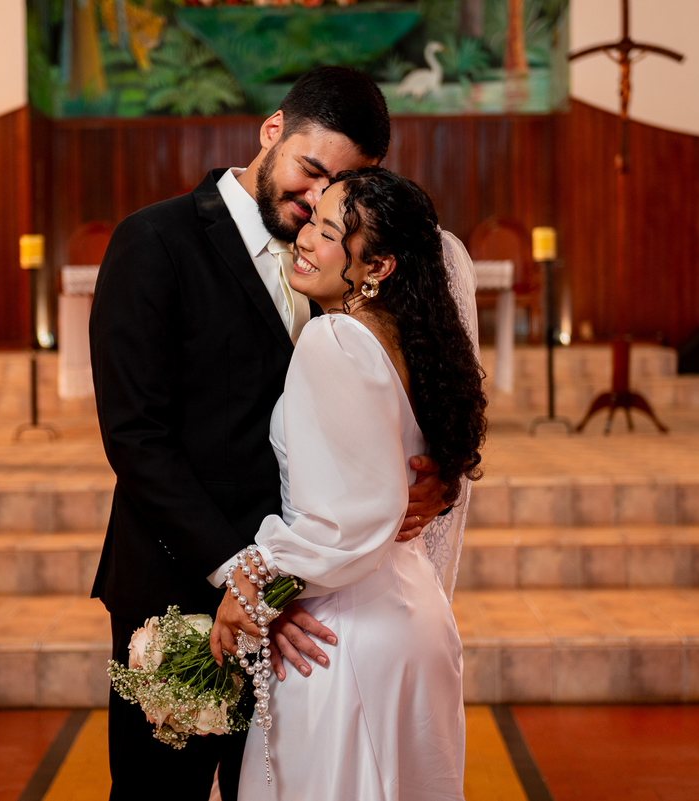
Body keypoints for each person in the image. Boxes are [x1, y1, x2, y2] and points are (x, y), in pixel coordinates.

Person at [89, 68, 451, 801]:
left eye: (339, 190)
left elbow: (401, 395)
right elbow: (137, 437)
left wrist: (436, 474)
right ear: (271, 132)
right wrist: (246, 581)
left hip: (311, 610)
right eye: (311, 170)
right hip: (187, 591)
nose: (318, 198)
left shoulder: (348, 268)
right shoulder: (154, 241)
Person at [210, 167, 487, 800]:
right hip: (413, 615)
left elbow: (350, 518)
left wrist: (253, 576)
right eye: (312, 220)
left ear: (378, 266)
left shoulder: (332, 338)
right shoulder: (415, 341)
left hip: (340, 633)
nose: (304, 238)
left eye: (330, 231)